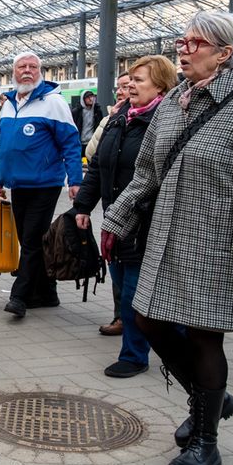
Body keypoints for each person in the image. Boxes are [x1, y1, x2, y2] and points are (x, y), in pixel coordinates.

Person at [101, 11, 233, 465]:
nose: (182, 48)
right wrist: (117, 219)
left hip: (218, 245)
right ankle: (212, 399)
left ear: (225, 54)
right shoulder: (173, 103)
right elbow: (146, 173)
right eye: (181, 41)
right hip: (166, 239)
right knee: (147, 318)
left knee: (205, 336)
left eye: (194, 42)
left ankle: (206, 443)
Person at [74, 56, 176, 379]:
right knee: (122, 288)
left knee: (134, 293)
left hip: (146, 223)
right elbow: (98, 168)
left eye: (139, 80)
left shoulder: (166, 123)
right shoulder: (120, 120)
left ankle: (134, 355)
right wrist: (83, 207)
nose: (130, 85)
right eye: (130, 79)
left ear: (160, 85)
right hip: (114, 223)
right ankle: (175, 344)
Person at [0, 51, 82, 319]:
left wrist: (75, 180)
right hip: (18, 184)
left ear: (41, 71)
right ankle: (47, 293)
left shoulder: (53, 103)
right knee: (29, 239)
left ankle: (19, 297)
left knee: (30, 240)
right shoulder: (8, 103)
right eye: (22, 66)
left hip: (45, 183)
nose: (27, 70)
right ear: (14, 71)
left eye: (33, 66)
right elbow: (2, 149)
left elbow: (71, 143)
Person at [88, 71, 130, 337]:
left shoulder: (156, 117)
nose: (124, 91)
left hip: (138, 205)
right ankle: (121, 317)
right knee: (116, 263)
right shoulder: (111, 118)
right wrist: (109, 121)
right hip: (112, 204)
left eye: (128, 86)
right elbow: (92, 154)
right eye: (121, 87)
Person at [71, 90, 99, 155]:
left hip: (92, 142)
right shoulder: (76, 112)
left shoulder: (97, 110)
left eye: (92, 96)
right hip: (79, 142)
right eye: (88, 97)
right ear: (83, 99)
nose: (90, 99)